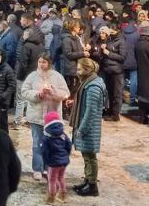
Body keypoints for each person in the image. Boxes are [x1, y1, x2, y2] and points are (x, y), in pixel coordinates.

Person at [22, 53, 70, 181]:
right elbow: (24, 91)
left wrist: (54, 93)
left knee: (52, 144)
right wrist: (38, 94)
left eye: (44, 62)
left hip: (52, 118)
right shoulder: (32, 76)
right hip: (36, 116)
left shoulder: (58, 77)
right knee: (37, 143)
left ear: (49, 63)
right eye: (39, 62)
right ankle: (37, 168)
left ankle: (48, 168)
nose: (41, 64)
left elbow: (66, 93)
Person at [69, 58, 106, 197]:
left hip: (89, 128)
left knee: (90, 157)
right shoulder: (87, 83)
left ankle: (92, 186)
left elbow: (91, 112)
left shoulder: (93, 87)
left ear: (87, 70)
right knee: (86, 155)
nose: (77, 72)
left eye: (79, 69)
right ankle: (87, 180)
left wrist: (81, 129)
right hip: (86, 126)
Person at [41, 110, 72, 203]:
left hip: (54, 163)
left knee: (52, 179)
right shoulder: (63, 134)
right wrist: (66, 155)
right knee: (61, 177)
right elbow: (69, 145)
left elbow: (44, 151)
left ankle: (51, 197)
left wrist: (47, 161)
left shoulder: (46, 137)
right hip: (64, 161)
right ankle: (63, 194)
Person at [0, 51, 17, 131]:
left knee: (3, 123)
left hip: (3, 102)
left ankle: (5, 139)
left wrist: (4, 95)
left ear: (2, 58)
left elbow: (12, 86)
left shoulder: (8, 70)